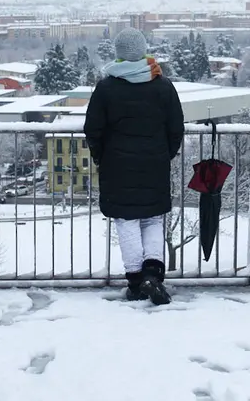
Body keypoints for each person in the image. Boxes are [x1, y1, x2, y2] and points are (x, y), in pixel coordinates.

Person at [84, 28, 184, 305]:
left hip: (117, 166)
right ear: (143, 51)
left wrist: (102, 157)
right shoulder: (163, 85)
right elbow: (176, 128)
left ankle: (136, 282)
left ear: (117, 54)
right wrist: (166, 154)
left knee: (126, 221)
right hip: (154, 163)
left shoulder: (106, 87)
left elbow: (93, 128)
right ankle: (153, 274)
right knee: (153, 218)